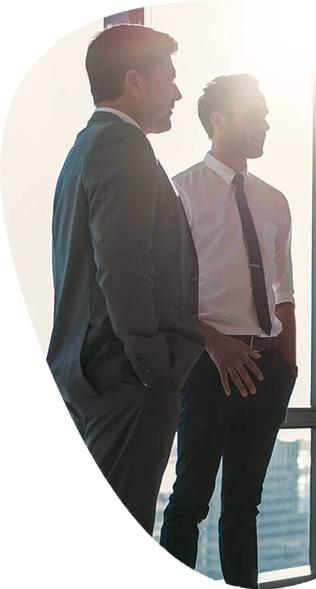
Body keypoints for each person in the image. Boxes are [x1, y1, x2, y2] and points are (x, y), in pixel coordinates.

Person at [46, 24, 204, 536]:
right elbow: (123, 264)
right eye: (170, 79)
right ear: (134, 81)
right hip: (124, 379)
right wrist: (151, 363)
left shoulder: (83, 149)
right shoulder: (122, 146)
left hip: (87, 371)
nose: (178, 92)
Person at [159, 74, 297, 588]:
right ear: (218, 120)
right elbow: (166, 292)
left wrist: (289, 362)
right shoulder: (180, 191)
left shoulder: (275, 200)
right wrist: (215, 345)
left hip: (267, 367)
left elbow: (283, 288)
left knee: (244, 506)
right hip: (207, 364)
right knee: (189, 500)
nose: (266, 122)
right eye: (254, 112)